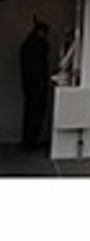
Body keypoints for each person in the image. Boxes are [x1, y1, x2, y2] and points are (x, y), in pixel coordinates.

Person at [19, 20, 51, 151]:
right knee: (36, 114)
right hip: (37, 85)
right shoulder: (37, 45)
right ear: (41, 32)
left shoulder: (27, 44)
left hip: (29, 85)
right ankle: (31, 142)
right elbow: (45, 53)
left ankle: (28, 141)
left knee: (30, 113)